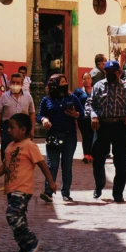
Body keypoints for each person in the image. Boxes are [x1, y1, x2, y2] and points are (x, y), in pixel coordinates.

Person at [0, 113, 57, 252]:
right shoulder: (10, 146)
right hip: (11, 189)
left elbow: (42, 164)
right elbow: (5, 164)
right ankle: (25, 248)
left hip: (22, 189)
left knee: (12, 215)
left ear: (23, 129)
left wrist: (51, 182)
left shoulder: (30, 146)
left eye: (12, 128)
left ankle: (32, 240)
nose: (8, 130)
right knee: (18, 218)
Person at [85, 59, 126, 203]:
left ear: (119, 72)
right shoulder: (98, 86)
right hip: (102, 126)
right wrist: (94, 116)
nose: (110, 74)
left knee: (121, 161)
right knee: (98, 159)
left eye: (113, 72)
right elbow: (90, 104)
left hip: (120, 126)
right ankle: (99, 184)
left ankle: (118, 192)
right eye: (107, 72)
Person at [37, 74, 83, 203]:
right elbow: (39, 115)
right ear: (54, 85)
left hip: (69, 136)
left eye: (65, 82)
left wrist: (75, 114)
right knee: (52, 165)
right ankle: (48, 192)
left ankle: (66, 192)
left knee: (67, 165)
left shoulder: (72, 98)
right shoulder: (46, 100)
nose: (64, 84)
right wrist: (43, 119)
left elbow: (83, 113)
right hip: (53, 135)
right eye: (62, 82)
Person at [0, 72, 36, 160]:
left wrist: (32, 129)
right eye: (13, 82)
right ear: (10, 83)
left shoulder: (28, 97)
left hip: (23, 129)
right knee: (6, 154)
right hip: (7, 128)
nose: (15, 85)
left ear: (22, 84)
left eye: (17, 83)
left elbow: (32, 113)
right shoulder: (4, 96)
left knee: (22, 154)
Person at [73, 72, 94, 163]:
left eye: (88, 78)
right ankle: (86, 154)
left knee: (93, 136)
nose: (86, 80)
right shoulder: (78, 91)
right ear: (82, 81)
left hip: (93, 117)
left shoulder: (95, 90)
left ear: (91, 80)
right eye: (84, 79)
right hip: (83, 117)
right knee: (86, 136)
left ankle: (92, 154)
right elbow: (74, 103)